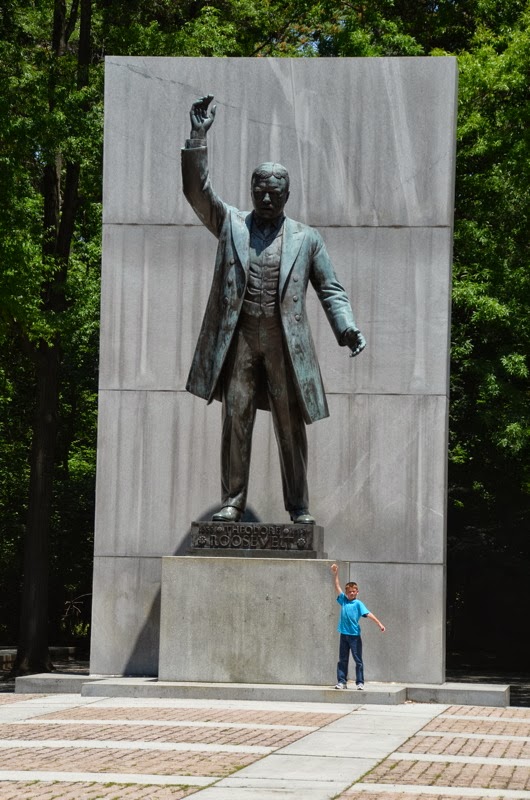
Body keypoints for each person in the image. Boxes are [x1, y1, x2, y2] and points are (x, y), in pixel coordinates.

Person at [182, 95, 366, 525]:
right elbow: (197, 192)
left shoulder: (307, 238)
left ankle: (298, 505)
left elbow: (330, 288)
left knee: (289, 425)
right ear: (252, 192)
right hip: (242, 338)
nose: (266, 198)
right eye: (260, 191)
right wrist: (198, 137)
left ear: (287, 194)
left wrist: (346, 327)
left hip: (285, 343)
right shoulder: (232, 224)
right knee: (236, 418)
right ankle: (232, 500)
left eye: (275, 192)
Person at [330, 563, 385, 689]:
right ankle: (342, 681)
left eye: (353, 591)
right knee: (342, 659)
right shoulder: (343, 600)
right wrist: (336, 573)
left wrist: (379, 624)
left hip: (354, 636)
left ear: (357, 592)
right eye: (349, 592)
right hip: (344, 635)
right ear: (346, 592)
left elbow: (368, 614)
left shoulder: (358, 604)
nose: (351, 593)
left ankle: (360, 682)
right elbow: (337, 586)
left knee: (358, 659)